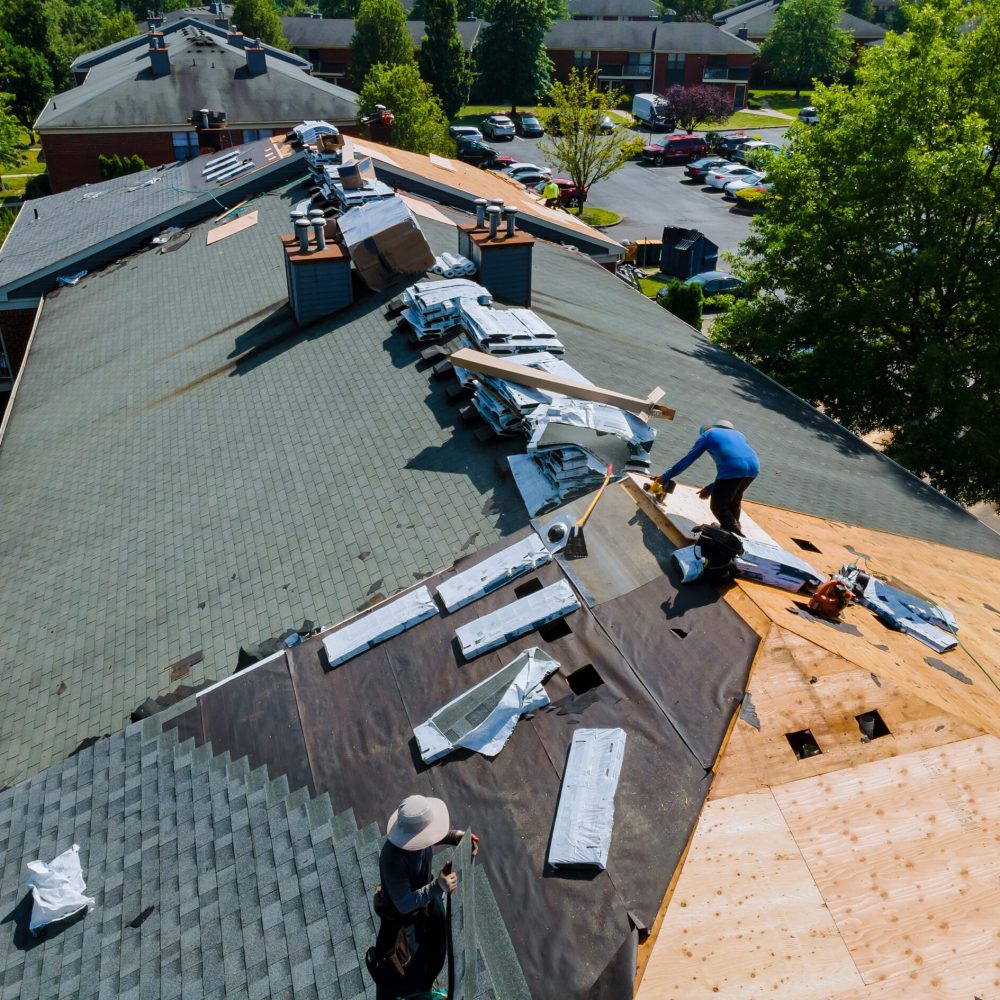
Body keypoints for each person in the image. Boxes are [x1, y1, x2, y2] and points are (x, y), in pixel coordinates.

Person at [368, 795, 478, 999]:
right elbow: (403, 904)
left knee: (436, 953)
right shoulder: (392, 860)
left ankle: (425, 984)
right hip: (403, 920)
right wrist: (438, 886)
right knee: (409, 973)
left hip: (425, 905)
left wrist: (457, 838)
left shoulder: (416, 838)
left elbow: (436, 836)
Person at [656, 419, 760, 535]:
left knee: (718, 506)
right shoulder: (740, 435)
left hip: (733, 468)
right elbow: (735, 471)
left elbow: (688, 460)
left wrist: (665, 476)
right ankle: (730, 529)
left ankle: (737, 537)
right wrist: (711, 488)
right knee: (734, 501)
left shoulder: (708, 434)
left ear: (711, 427)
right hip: (754, 467)